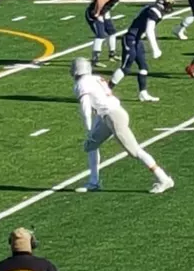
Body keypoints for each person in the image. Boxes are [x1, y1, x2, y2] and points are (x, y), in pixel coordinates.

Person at [71, 57, 174, 193]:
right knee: (91, 145)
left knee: (135, 151)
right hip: (110, 115)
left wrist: (89, 128)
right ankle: (94, 182)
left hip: (113, 117)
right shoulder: (95, 78)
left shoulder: (82, 83)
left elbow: (86, 108)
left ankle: (164, 179)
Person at [109, 0, 174, 102]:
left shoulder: (151, 7)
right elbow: (149, 30)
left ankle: (143, 93)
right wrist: (155, 48)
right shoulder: (155, 11)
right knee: (125, 68)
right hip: (130, 39)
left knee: (143, 67)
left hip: (137, 39)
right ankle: (106, 90)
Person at [86, 0, 135, 66]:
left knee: (112, 32)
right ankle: (95, 59)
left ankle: (112, 54)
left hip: (104, 12)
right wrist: (97, 13)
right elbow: (101, 0)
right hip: (95, 12)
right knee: (100, 35)